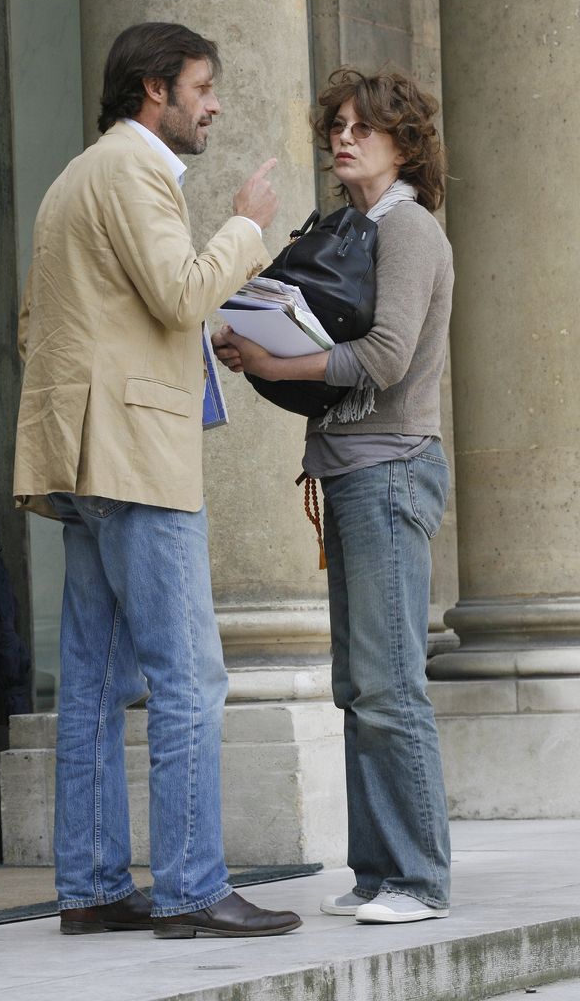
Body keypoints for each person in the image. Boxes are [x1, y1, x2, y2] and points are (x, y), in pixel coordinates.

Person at [13, 22, 301, 939]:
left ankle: (93, 889)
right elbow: (180, 293)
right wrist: (248, 224)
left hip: (87, 456)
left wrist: (185, 354)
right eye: (202, 87)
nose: (213, 104)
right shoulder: (134, 172)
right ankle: (188, 889)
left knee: (95, 684)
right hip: (138, 458)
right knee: (189, 676)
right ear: (153, 91)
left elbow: (60, 325)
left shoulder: (72, 178)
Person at [213, 67, 453, 925]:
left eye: (362, 126)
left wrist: (279, 363)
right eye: (338, 126)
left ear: (404, 141)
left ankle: (419, 879)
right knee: (359, 685)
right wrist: (259, 347)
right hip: (351, 468)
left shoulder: (410, 228)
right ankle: (378, 873)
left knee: (390, 683)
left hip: (389, 470)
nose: (343, 138)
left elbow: (385, 358)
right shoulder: (354, 227)